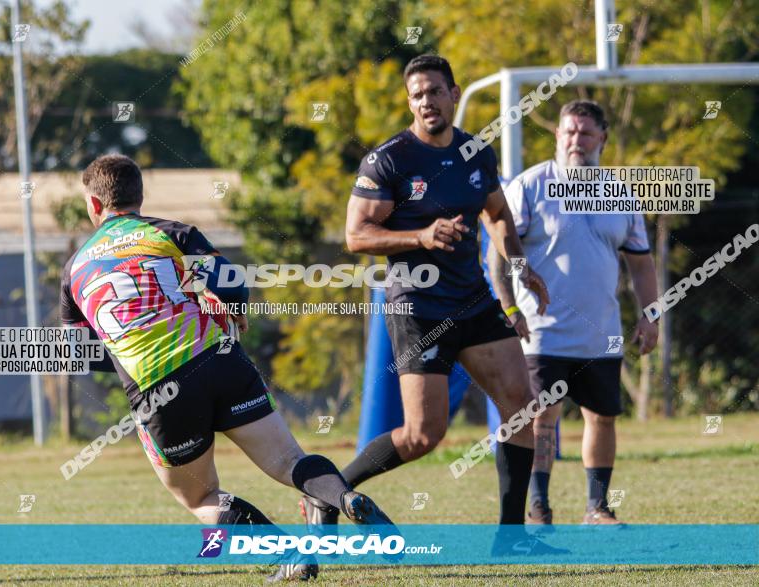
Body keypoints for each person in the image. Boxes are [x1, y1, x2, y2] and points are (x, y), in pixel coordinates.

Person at [60, 154, 394, 581]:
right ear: (139, 196)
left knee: (201, 496)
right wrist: (230, 309)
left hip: (159, 389)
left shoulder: (74, 269)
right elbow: (233, 285)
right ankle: (345, 499)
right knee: (290, 460)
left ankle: (288, 554)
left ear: (93, 204)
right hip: (220, 361)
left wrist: (129, 347)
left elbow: (80, 352)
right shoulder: (172, 234)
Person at [299, 54, 554, 552]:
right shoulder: (389, 159)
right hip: (418, 307)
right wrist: (420, 233)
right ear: (409, 102)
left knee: (522, 407)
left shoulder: (476, 151)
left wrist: (521, 266)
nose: (426, 102)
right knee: (423, 435)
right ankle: (326, 494)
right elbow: (356, 235)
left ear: (454, 94)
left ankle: (511, 537)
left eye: (434, 91)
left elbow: (497, 215)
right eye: (417, 95)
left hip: (474, 299)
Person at [487, 100, 659, 525]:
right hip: (542, 331)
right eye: (567, 132)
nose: (575, 140)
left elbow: (640, 262)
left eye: (584, 133)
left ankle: (597, 509)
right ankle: (539, 508)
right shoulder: (531, 185)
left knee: (601, 417)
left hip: (601, 333)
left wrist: (650, 314)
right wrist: (508, 306)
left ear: (602, 139)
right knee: (542, 418)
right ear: (558, 135)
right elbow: (498, 252)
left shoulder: (620, 192)